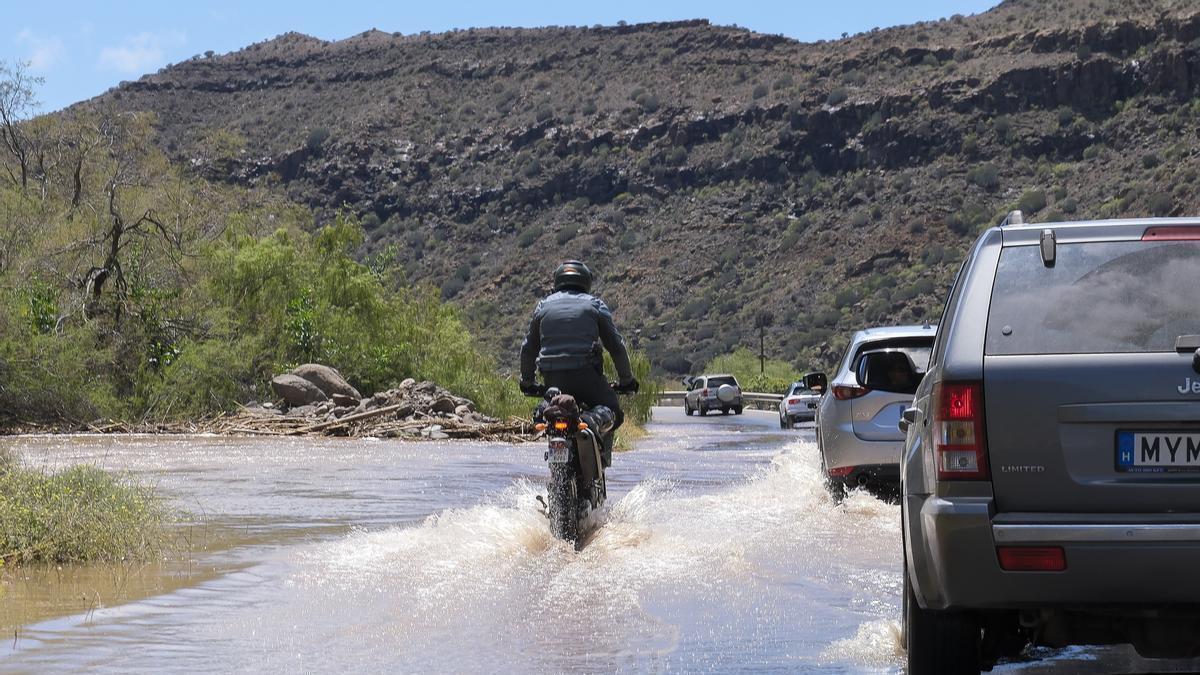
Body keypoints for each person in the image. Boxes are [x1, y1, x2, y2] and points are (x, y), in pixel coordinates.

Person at [519, 260, 639, 464]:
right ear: (585, 282)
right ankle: (593, 425)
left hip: (553, 382)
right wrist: (626, 380)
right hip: (587, 379)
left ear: (558, 281)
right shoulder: (595, 304)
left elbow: (528, 348)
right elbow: (616, 346)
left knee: (548, 412)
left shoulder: (543, 306)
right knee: (613, 410)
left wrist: (528, 382)